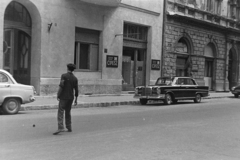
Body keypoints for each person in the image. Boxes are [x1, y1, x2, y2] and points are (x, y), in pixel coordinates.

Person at [53, 63, 79, 135]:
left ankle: (61, 127)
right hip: (71, 97)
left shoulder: (64, 76)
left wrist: (58, 94)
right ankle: (69, 126)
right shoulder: (75, 78)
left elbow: (61, 86)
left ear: (67, 68)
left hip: (64, 97)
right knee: (68, 112)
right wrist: (76, 99)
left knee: (61, 111)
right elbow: (76, 89)